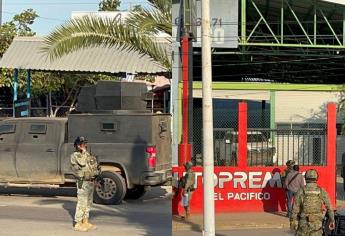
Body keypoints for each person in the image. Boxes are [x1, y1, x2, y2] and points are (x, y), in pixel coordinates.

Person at [290, 169, 335, 236]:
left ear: (305, 178)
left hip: (303, 224)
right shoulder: (321, 191)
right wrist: (332, 220)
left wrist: (293, 221)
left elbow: (295, 208)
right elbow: (329, 207)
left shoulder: (300, 191)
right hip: (317, 225)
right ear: (316, 178)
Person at [70, 136, 100, 232]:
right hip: (82, 181)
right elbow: (82, 163)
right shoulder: (75, 155)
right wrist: (83, 152)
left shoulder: (87, 154)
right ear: (78, 145)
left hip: (89, 181)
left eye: (85, 144)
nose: (84, 145)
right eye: (82, 144)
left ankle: (85, 221)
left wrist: (95, 179)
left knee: (88, 203)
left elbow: (92, 167)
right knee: (82, 203)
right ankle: (78, 223)